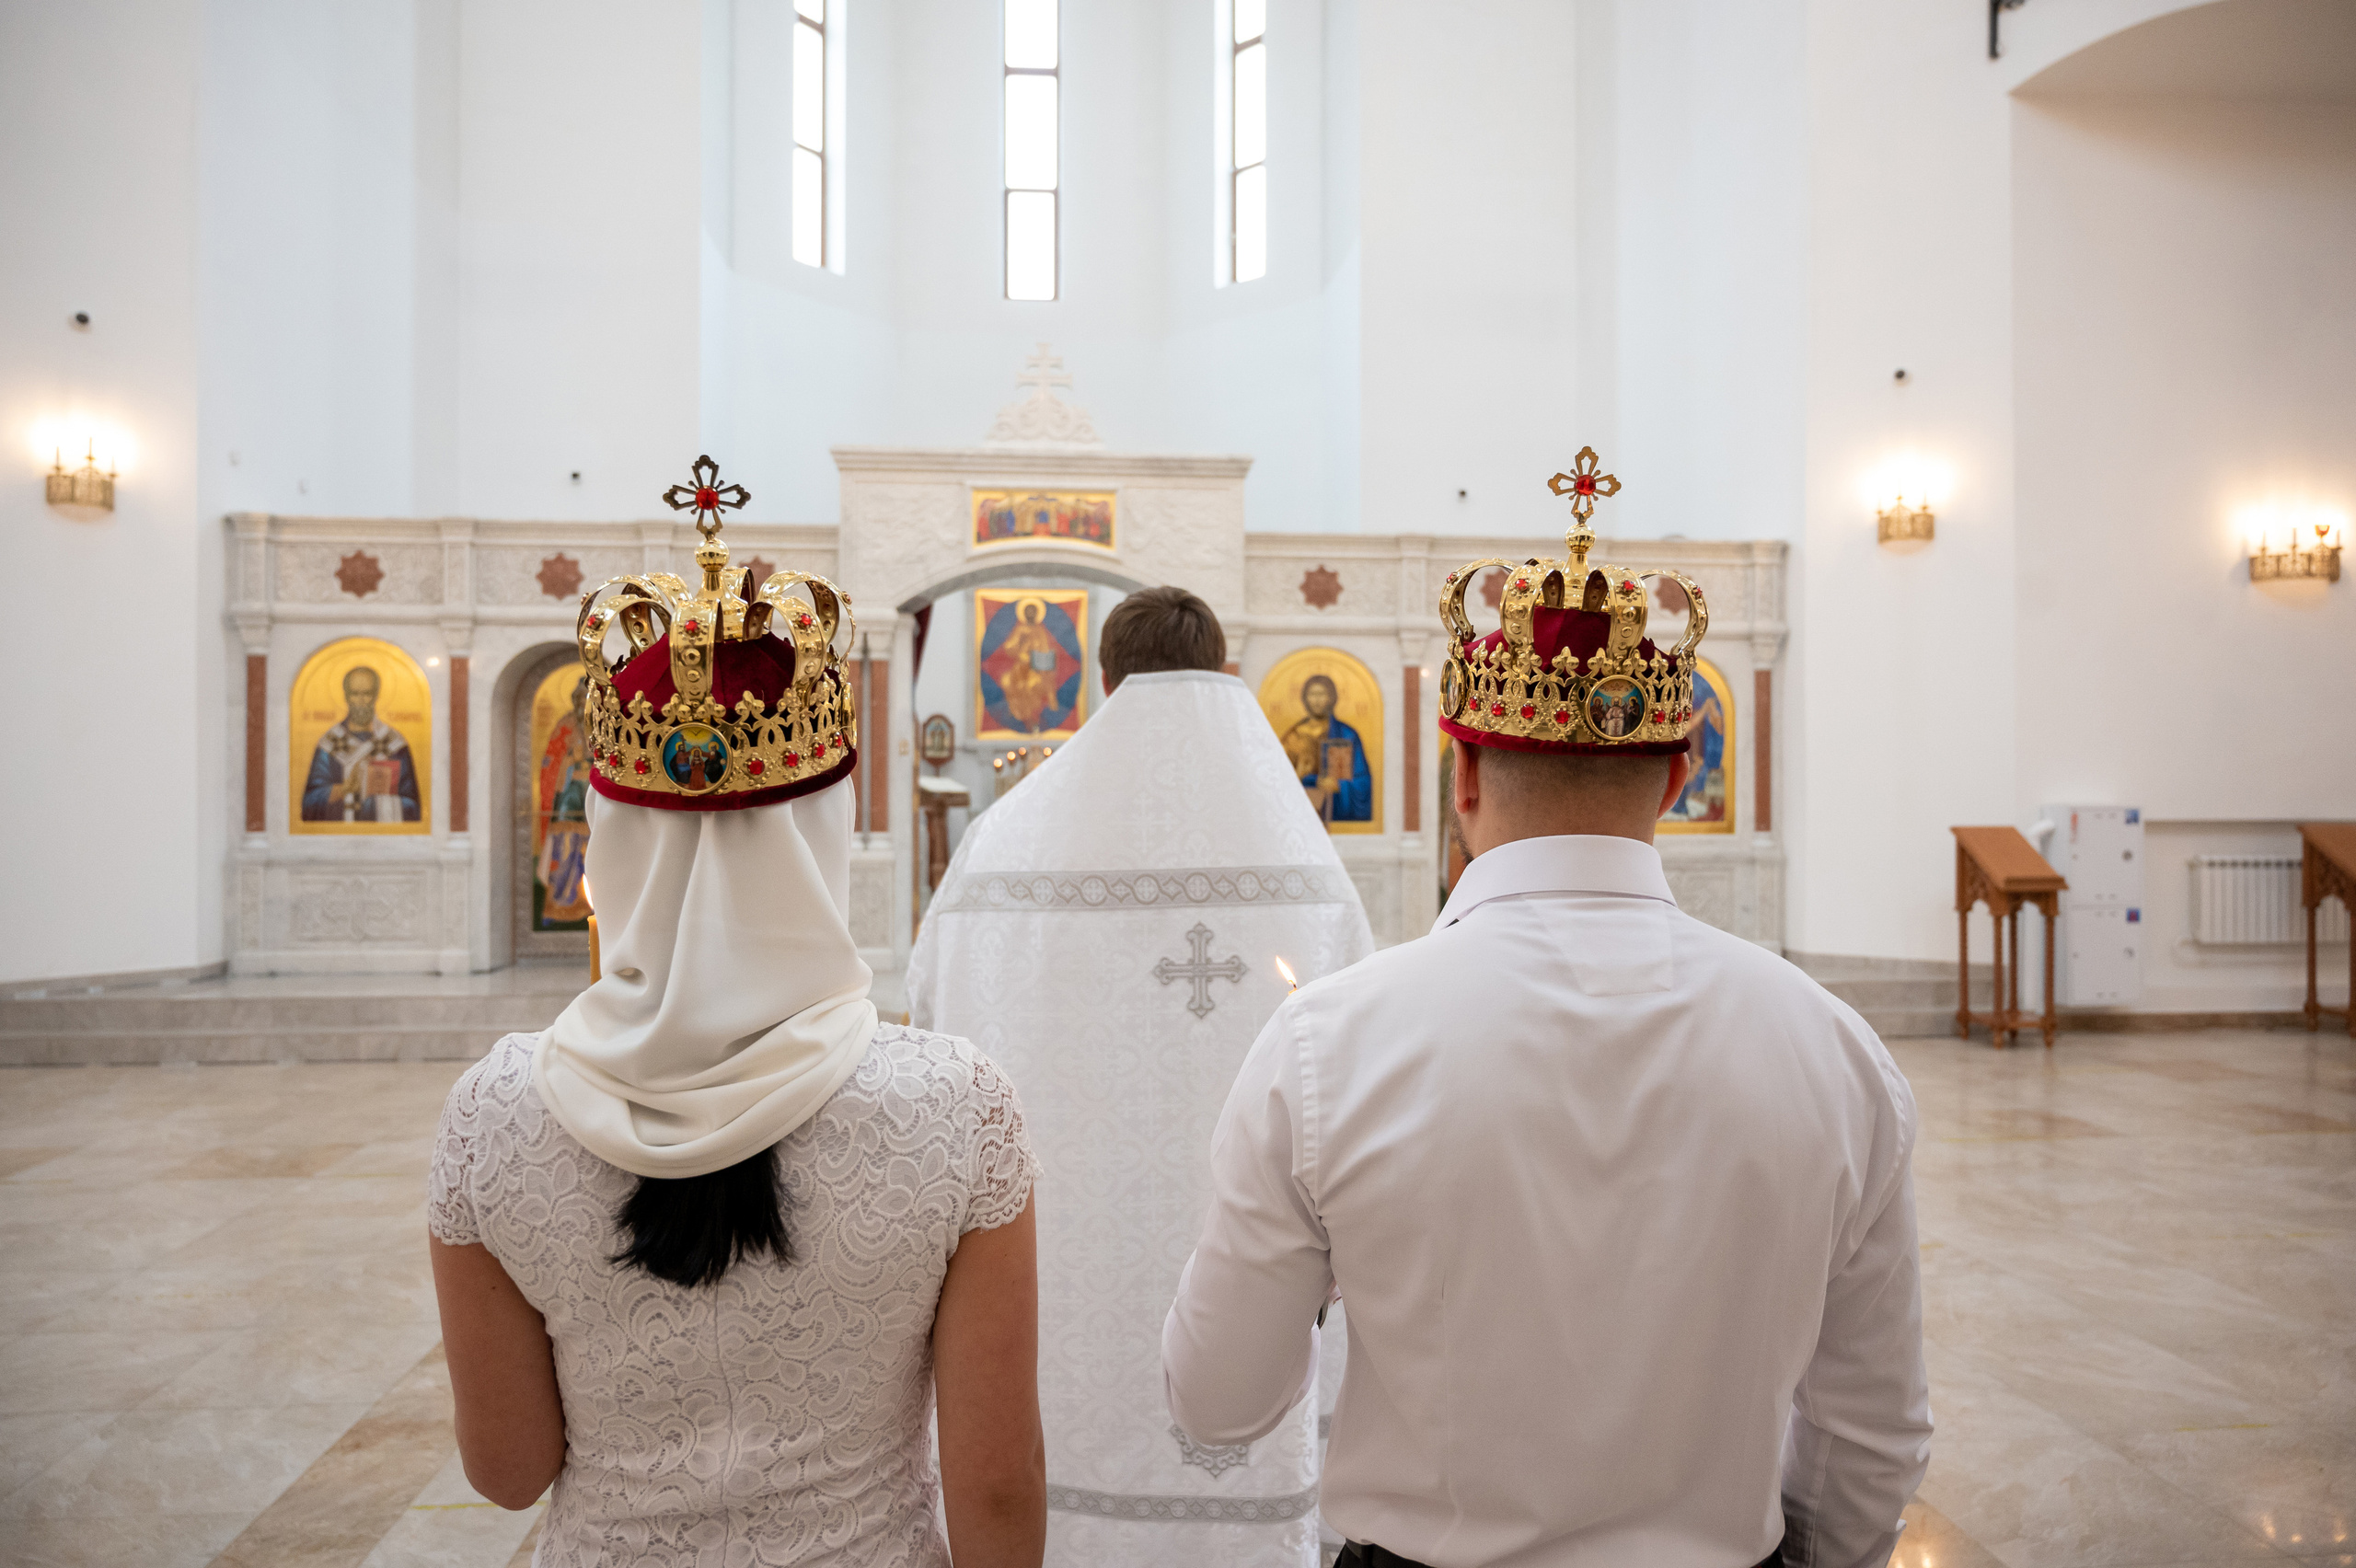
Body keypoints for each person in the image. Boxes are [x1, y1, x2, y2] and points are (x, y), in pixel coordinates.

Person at [1164, 477, 1931, 1568]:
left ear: (1461, 773)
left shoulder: (1327, 1045)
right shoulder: (1832, 1049)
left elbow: (1218, 1402)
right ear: (1676, 778)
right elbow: (1874, 1430)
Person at [427, 492, 1046, 1568]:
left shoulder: (496, 1115)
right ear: (822, 833)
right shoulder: (956, 1107)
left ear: (610, 840)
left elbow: (509, 1470)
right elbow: (994, 1496)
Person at [909, 584, 1374, 1568]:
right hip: (1249, 1247)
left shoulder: (1003, 849)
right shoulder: (1304, 864)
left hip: (1054, 1246)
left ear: (1104, 682)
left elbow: (933, 1035)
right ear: (1228, 677)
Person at [301, 664, 421, 822]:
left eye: (367, 694)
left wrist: (375, 803)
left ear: (376, 695)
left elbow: (413, 806)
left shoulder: (393, 744)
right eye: (355, 694)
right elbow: (309, 803)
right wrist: (343, 789)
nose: (361, 700)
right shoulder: (330, 743)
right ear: (346, 696)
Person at [1280, 673, 1372, 823]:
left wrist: (1339, 785)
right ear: (1304, 698)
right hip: (1300, 814)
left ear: (1331, 698)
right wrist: (1301, 778)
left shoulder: (1346, 735)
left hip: (1333, 809)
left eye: (1322, 694)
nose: (1316, 700)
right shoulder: (1292, 737)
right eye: (1312, 694)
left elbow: (1362, 781)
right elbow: (1277, 780)